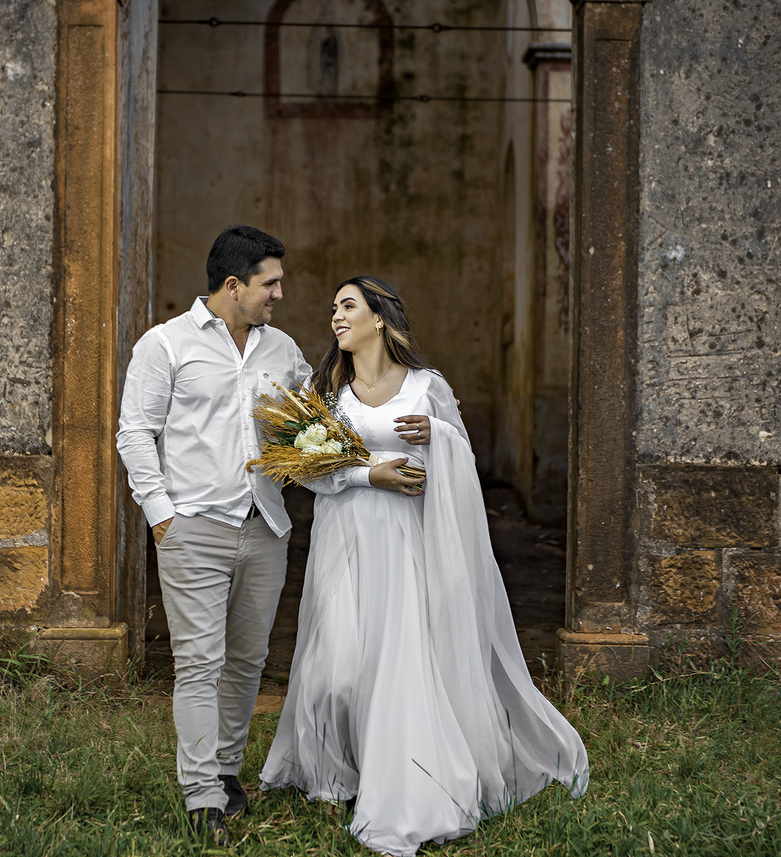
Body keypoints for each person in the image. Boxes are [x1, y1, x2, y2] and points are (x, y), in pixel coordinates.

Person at [260, 276, 590, 857]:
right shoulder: (325, 390)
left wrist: (438, 435)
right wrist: (370, 475)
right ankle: (336, 769)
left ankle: (400, 780)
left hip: (404, 543)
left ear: (380, 318)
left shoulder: (427, 387)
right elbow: (309, 471)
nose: (336, 316)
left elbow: (461, 469)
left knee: (396, 662)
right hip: (344, 541)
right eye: (333, 308)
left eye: (348, 306)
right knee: (336, 666)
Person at [116, 225, 354, 845]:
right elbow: (135, 433)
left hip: (265, 527)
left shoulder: (283, 350)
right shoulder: (165, 345)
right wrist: (161, 515)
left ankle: (225, 771)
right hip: (193, 527)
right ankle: (201, 796)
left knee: (247, 661)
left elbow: (316, 418)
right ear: (233, 285)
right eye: (270, 283)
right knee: (199, 663)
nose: (280, 294)